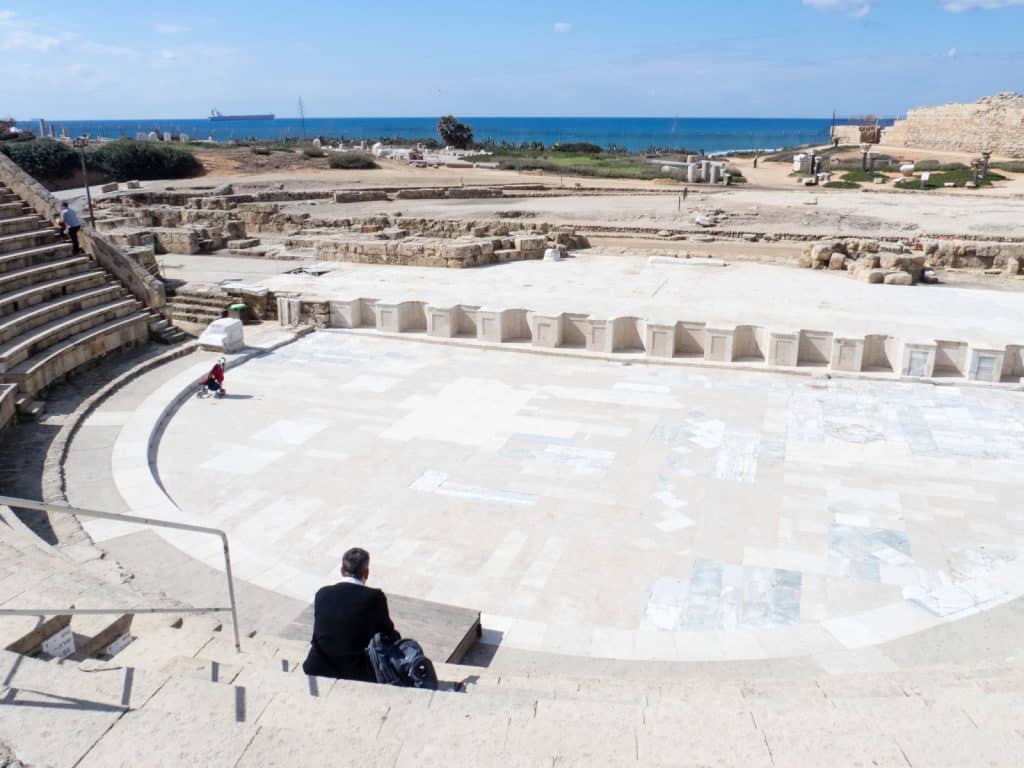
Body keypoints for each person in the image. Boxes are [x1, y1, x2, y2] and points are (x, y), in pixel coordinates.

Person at [302, 547, 397, 681]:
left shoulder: (322, 594)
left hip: (317, 666)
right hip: (356, 671)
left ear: (341, 570)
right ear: (367, 573)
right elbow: (388, 634)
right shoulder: (374, 597)